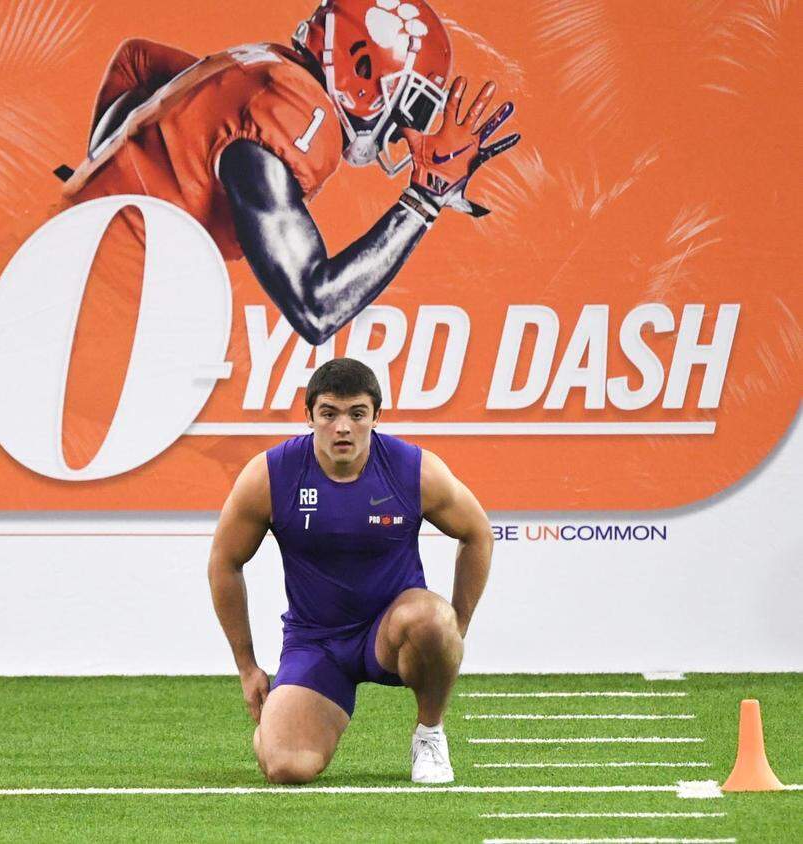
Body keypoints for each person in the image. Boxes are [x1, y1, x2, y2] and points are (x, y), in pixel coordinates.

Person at [57, 0, 519, 344]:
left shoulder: (261, 62)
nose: (405, 131)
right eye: (412, 105)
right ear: (361, 68)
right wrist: (425, 199)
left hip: (54, 249)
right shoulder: (299, 113)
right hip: (85, 316)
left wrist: (98, 175)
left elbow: (136, 61)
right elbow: (317, 308)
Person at [207, 358, 493, 783]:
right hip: (317, 642)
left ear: (377, 416)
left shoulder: (414, 470)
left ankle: (429, 733)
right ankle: (279, 730)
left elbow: (478, 533)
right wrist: (247, 667)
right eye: (329, 413)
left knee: (433, 620)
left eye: (357, 414)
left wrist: (457, 629)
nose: (343, 427)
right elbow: (224, 563)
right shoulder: (270, 475)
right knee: (286, 768)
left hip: (392, 632)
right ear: (309, 417)